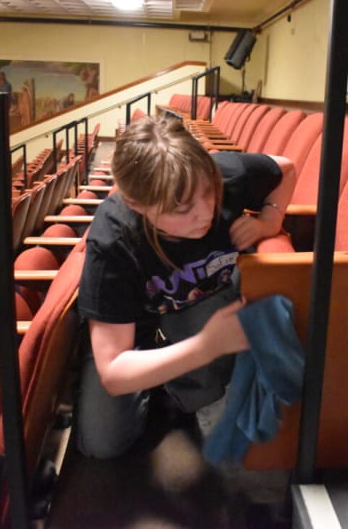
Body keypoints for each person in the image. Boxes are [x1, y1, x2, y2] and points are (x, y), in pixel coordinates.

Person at [75, 116, 296, 459]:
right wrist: (206, 347)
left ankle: (183, 382)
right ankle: (163, 377)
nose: (205, 213)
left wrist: (270, 220)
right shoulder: (113, 239)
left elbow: (287, 169)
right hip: (133, 328)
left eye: (208, 192)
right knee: (102, 442)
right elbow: (114, 371)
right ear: (135, 204)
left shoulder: (225, 173)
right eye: (181, 209)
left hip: (200, 304)